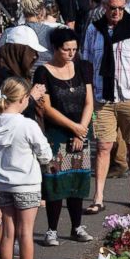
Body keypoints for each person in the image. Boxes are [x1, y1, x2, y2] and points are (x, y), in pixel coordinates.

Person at [82, 0, 130, 213]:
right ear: (104, 7)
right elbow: (86, 62)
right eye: (112, 8)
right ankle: (98, 196)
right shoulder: (94, 29)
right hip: (103, 97)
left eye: (120, 8)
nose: (116, 12)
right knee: (103, 146)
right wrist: (89, 93)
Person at [0, 78, 52, 259]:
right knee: (25, 233)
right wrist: (43, 159)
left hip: (3, 183)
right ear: (24, 99)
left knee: (6, 234)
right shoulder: (26, 124)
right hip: (27, 184)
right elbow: (45, 153)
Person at [33, 28, 94, 246]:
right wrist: (73, 127)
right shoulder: (43, 72)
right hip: (57, 132)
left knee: (78, 179)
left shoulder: (83, 67)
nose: (71, 53)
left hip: (81, 129)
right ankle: (52, 229)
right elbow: (46, 108)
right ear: (55, 49)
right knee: (56, 181)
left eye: (74, 49)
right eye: (66, 49)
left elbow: (89, 101)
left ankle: (77, 225)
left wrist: (82, 129)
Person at [18, 0, 53, 66]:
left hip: (20, 74)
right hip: (46, 73)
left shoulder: (11, 32)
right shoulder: (51, 32)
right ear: (41, 12)